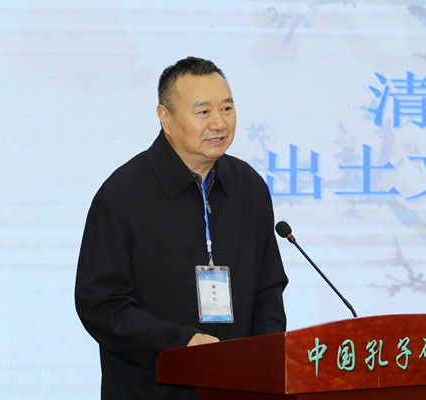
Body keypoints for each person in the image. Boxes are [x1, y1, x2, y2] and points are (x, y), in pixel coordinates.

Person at [75, 56, 288, 400]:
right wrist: (181, 344)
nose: (219, 122)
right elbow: (101, 305)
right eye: (203, 111)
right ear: (165, 118)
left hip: (240, 388)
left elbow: (269, 290)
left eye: (227, 109)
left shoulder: (249, 187)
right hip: (153, 390)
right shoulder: (122, 195)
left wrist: (262, 354)